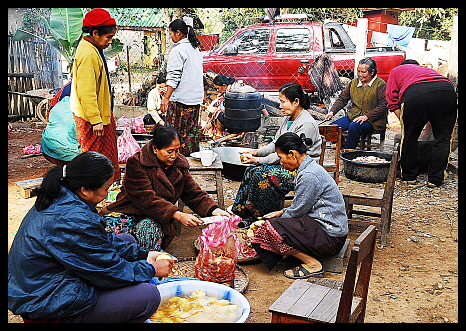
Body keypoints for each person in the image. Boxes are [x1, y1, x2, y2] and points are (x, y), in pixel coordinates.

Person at [8, 151, 173, 323]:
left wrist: (143, 255)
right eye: (105, 189)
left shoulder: (63, 195)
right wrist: (151, 269)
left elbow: (101, 240)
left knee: (127, 240)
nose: (106, 195)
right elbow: (108, 271)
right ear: (85, 189)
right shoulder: (72, 219)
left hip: (43, 284)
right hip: (48, 305)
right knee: (148, 296)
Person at [100, 126, 230, 250]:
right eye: (169, 151)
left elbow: (193, 193)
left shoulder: (179, 166)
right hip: (129, 211)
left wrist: (214, 210)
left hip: (158, 217)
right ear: (155, 149)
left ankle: (149, 264)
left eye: (177, 150)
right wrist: (177, 214)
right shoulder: (136, 164)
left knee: (148, 232)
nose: (174, 155)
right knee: (103, 235)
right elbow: (146, 199)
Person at [251, 132, 348, 279]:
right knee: (276, 224)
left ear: (292, 154)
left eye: (281, 157)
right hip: (328, 231)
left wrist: (272, 222)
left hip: (331, 238)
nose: (281, 162)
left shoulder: (309, 175)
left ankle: (312, 264)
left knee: (270, 229)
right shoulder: (309, 168)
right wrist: (283, 212)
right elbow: (302, 206)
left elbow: (297, 211)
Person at [232, 82, 322, 222]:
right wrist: (257, 153)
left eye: (282, 101)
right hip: (286, 163)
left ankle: (260, 217)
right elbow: (276, 144)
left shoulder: (306, 124)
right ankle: (241, 212)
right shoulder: (288, 119)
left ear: (296, 102)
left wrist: (259, 160)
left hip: (301, 170)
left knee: (262, 174)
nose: (280, 106)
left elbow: (288, 154)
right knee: (251, 170)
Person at [385, 59, 457, 187]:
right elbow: (434, 105)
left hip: (416, 93)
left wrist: (407, 124)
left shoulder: (397, 70)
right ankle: (435, 179)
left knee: (409, 137)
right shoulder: (428, 71)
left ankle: (409, 176)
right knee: (443, 139)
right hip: (447, 91)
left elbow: (392, 100)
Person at [70, 8, 120, 181]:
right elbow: (86, 91)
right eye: (108, 37)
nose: (110, 42)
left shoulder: (91, 48)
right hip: (92, 119)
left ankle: (100, 189)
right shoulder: (88, 53)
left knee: (101, 158)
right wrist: (96, 120)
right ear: (95, 33)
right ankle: (90, 191)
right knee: (94, 160)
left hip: (98, 115)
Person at [160, 18, 204, 156]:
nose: (171, 37)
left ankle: (175, 161)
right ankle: (189, 160)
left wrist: (166, 98)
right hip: (195, 99)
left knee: (174, 134)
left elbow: (173, 77)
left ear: (178, 33)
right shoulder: (195, 49)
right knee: (191, 133)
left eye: (171, 33)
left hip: (181, 100)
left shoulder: (178, 51)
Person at [325, 58, 388, 149]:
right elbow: (342, 99)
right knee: (332, 128)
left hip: (373, 121)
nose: (360, 74)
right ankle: (342, 143)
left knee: (354, 127)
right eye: (358, 71)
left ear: (372, 72)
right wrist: (332, 111)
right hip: (353, 116)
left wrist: (367, 116)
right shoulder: (354, 83)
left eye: (363, 72)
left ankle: (348, 151)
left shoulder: (380, 85)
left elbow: (383, 105)